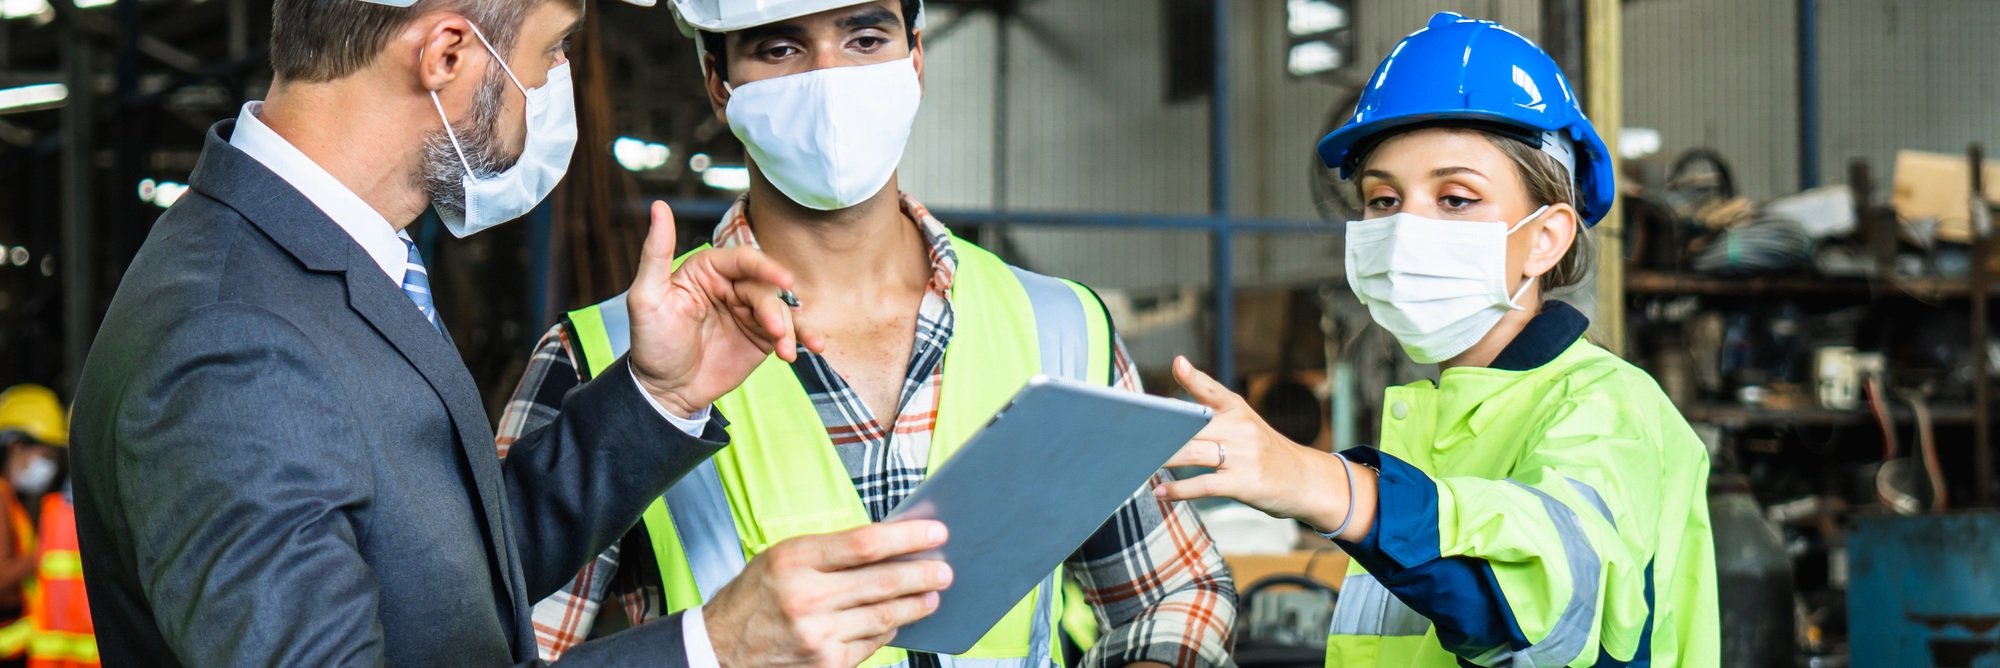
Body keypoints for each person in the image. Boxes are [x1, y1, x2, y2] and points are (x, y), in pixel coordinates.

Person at [69, 0, 958, 666]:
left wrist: (659, 396)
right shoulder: (231, 344)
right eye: (553, 49)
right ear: (448, 54)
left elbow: (447, 573)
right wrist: (713, 647)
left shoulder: (327, 264)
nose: (555, 83)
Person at [496, 1, 1236, 666]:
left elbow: (1175, 591)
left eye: (865, 37)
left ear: (915, 59)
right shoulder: (603, 359)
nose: (829, 79)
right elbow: (482, 640)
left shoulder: (1062, 325)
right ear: (719, 83)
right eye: (780, 47)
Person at [1154, 13, 1719, 667]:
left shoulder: (1612, 410)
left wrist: (1313, 480)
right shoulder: (1433, 420)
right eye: (1383, 200)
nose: (1405, 230)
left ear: (1546, 238)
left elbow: (1531, 605)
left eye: (1455, 198)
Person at [0, 385, 64, 667]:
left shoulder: (13, 499)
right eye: (44, 456)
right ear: (17, 446)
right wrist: (47, 552)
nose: (48, 467)